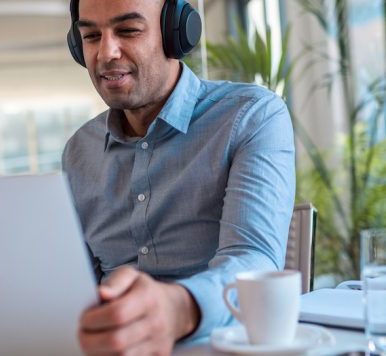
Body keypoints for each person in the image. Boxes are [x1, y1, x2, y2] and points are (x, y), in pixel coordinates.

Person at [61, 0, 296, 354]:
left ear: (177, 33)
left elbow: (254, 260)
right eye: (91, 36)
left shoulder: (251, 116)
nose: (106, 53)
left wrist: (177, 308)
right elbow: (73, 280)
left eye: (128, 31)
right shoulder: (79, 151)